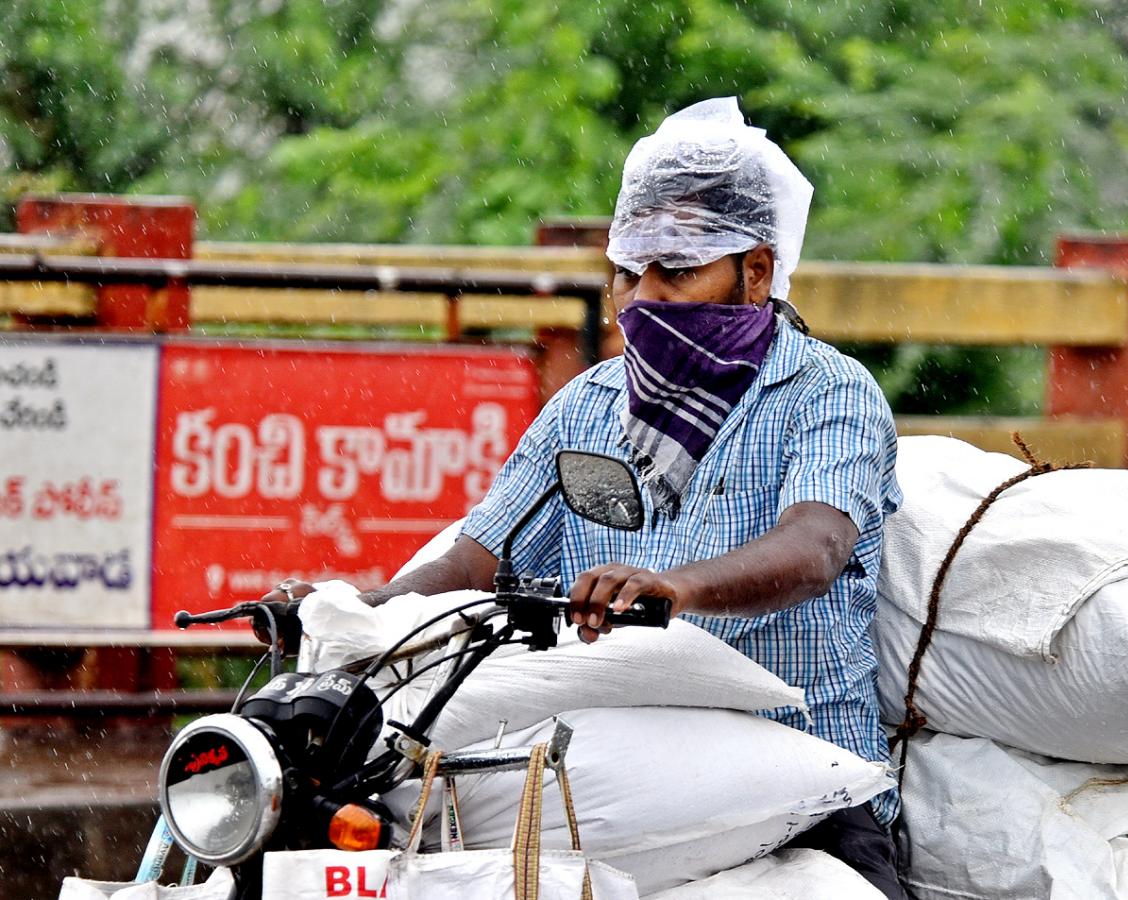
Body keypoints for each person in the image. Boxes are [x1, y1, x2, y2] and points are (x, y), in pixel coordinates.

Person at [263, 97, 905, 898]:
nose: (644, 299)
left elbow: (814, 548)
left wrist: (678, 588)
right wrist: (357, 610)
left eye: (677, 270)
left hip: (811, 794)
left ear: (759, 271)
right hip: (612, 789)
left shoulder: (827, 391)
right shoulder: (588, 404)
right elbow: (476, 560)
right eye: (628, 273)